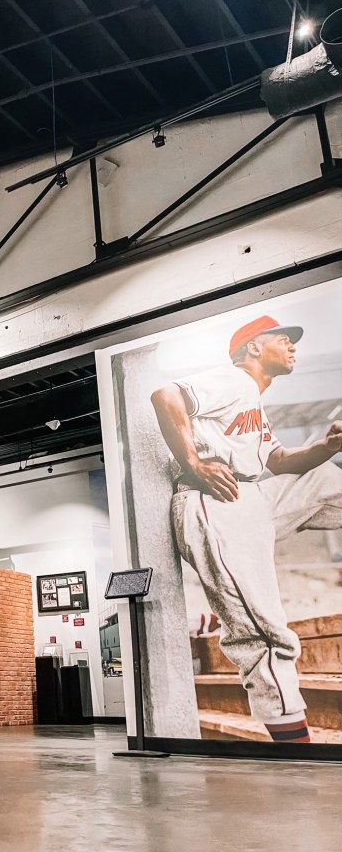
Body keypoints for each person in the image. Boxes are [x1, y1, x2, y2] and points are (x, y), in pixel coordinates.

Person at [151, 315, 342, 744]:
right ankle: (295, 747)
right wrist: (194, 464)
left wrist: (324, 447)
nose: (292, 346)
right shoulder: (234, 381)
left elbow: (279, 462)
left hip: (250, 497)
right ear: (254, 347)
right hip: (217, 503)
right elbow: (166, 395)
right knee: (263, 629)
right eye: (283, 338)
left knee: (327, 478)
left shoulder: (254, 404)